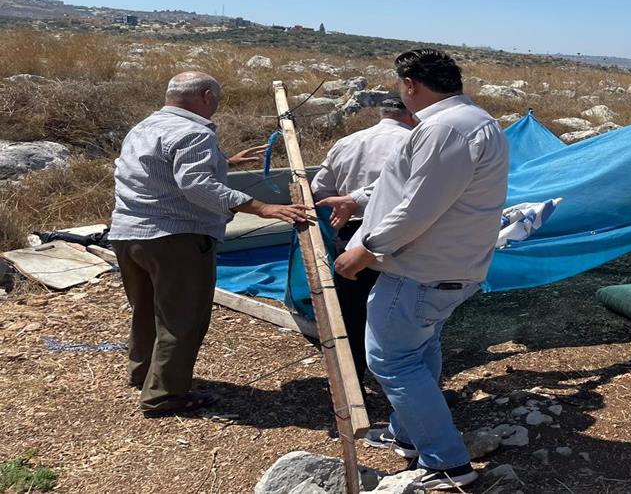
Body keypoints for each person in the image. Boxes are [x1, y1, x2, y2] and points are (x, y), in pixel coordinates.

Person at [318, 49, 508, 491]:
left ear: (410, 84)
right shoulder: (472, 121)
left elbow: (418, 207)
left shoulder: (445, 129)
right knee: (419, 350)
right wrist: (357, 200)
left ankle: (447, 463)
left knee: (392, 360)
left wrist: (365, 249)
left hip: (421, 270)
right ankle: (406, 434)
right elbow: (408, 184)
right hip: (448, 267)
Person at [109, 72, 311, 417]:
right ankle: (164, 395)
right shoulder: (195, 133)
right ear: (206, 96)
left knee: (147, 309)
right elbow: (197, 186)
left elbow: (158, 169)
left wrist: (224, 163)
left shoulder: (144, 127)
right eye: (216, 98)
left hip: (129, 234)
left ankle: (143, 373)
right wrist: (262, 208)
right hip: (175, 238)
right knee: (182, 317)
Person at [310, 96, 417, 384]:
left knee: (353, 310)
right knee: (398, 310)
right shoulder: (413, 143)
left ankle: (353, 380)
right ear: (411, 115)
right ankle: (400, 381)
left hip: (350, 235)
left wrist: (344, 206)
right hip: (399, 235)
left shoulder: (347, 142)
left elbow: (320, 188)